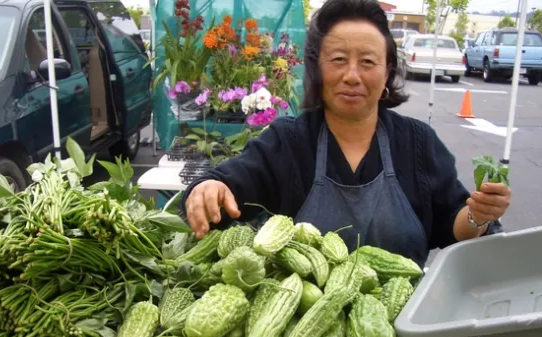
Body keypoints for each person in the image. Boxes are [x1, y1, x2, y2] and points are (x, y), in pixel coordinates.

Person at [183, 0, 511, 267]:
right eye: (338, 59)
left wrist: (477, 216)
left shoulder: (417, 143)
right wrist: (209, 189)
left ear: (387, 73)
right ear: (317, 69)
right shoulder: (289, 141)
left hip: (403, 330)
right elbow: (229, 186)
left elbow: (453, 226)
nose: (352, 75)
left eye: (368, 61)